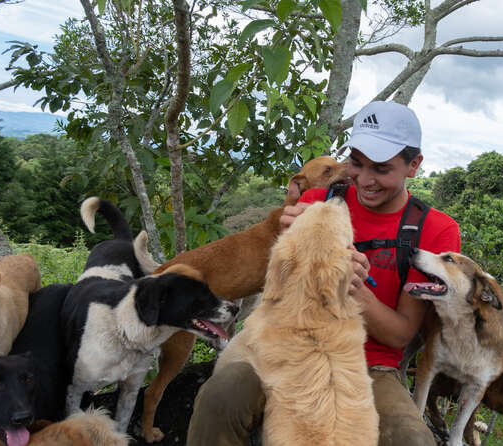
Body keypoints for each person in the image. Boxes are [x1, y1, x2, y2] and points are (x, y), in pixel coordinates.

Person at [186, 101, 461, 446]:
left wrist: (355, 288)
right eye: (356, 163)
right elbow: (278, 291)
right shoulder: (317, 201)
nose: (365, 180)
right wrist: (287, 240)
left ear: (414, 165)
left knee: (410, 438)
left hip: (367, 365)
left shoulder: (435, 231)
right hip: (288, 346)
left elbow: (400, 335)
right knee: (220, 397)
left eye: (381, 169)